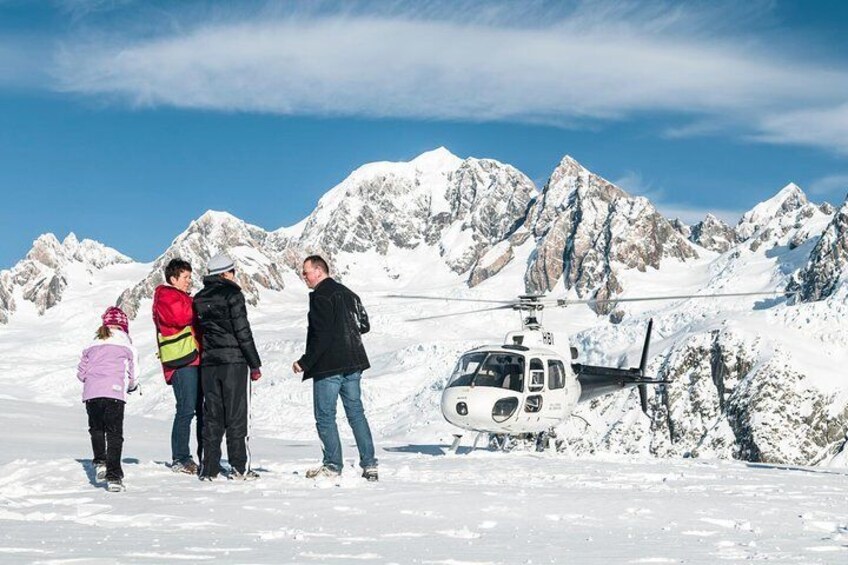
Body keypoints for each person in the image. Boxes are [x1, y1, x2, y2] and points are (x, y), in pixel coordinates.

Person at [292, 255, 378, 481]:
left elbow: (322, 335)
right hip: (354, 363)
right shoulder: (349, 293)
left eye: (306, 272)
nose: (304, 276)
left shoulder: (321, 296)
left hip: (329, 367)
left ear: (319, 271)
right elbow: (364, 325)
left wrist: (304, 362)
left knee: (325, 417)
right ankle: (369, 465)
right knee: (356, 414)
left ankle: (332, 465)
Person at [194, 253, 262, 481]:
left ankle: (209, 468)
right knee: (237, 415)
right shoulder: (233, 294)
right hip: (234, 362)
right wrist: (254, 363)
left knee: (212, 416)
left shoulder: (199, 298)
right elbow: (243, 331)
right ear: (226, 273)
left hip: (209, 363)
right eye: (233, 271)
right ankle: (239, 467)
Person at [76, 306, 139, 492]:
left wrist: (93, 380)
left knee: (96, 429)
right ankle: (113, 477)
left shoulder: (92, 342)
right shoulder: (126, 344)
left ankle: (100, 462)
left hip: (91, 394)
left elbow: (81, 373)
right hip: (114, 393)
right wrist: (131, 386)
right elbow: (134, 373)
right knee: (114, 434)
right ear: (123, 326)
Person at [153, 258, 202, 475]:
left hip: (193, 358)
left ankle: (197, 455)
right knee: (186, 409)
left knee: (196, 409)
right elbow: (180, 316)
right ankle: (180, 457)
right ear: (173, 278)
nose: (189, 282)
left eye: (190, 277)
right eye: (185, 277)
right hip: (182, 361)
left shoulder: (181, 296)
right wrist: (198, 306)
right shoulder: (166, 296)